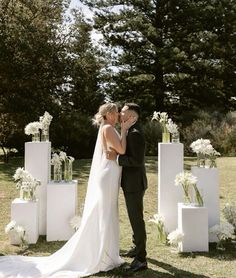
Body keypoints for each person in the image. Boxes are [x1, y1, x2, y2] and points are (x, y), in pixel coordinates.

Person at [0, 102, 134, 278]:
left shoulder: (107, 127)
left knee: (106, 212)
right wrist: (124, 130)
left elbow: (115, 151)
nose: (118, 116)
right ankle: (102, 255)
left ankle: (106, 253)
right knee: (105, 213)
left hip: (110, 174)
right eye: (116, 113)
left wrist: (117, 147)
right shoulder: (108, 128)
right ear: (108, 114)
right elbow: (122, 149)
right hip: (108, 176)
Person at [106, 103, 148, 272]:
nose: (119, 115)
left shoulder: (135, 134)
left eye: (122, 112)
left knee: (136, 220)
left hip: (135, 184)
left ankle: (141, 259)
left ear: (132, 117)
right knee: (134, 218)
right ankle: (136, 248)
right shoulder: (130, 131)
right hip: (132, 183)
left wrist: (116, 159)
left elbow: (137, 161)